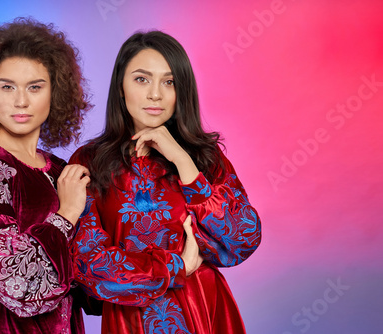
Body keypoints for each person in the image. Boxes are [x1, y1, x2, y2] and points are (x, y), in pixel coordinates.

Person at [68, 30, 262, 333]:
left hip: (204, 311)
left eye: (168, 82)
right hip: (130, 320)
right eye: (142, 79)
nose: (155, 94)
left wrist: (184, 163)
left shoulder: (205, 158)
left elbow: (241, 240)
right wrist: (177, 267)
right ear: (120, 86)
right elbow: (88, 265)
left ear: (180, 91)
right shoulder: (89, 163)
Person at [0, 18, 91, 334]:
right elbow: (14, 284)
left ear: (55, 91)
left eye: (35, 86)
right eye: (7, 86)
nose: (21, 101)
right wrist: (67, 214)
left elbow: (88, 270)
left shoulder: (58, 168)